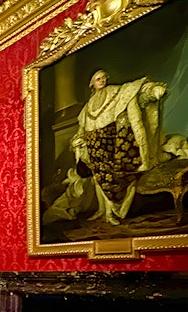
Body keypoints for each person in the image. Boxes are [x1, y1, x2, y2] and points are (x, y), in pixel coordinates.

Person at [70, 70, 166, 225]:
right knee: (97, 178)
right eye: (98, 79)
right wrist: (78, 139)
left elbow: (136, 90)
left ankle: (110, 214)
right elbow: (81, 129)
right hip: (94, 146)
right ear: (92, 84)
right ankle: (101, 210)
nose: (102, 80)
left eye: (103, 77)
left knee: (111, 178)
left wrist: (153, 90)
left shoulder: (116, 92)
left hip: (110, 142)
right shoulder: (87, 107)